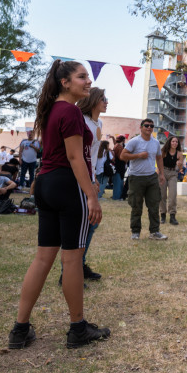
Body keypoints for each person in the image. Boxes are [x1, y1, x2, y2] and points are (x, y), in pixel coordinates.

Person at [8, 60, 110, 350]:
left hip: (47, 184)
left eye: (87, 77)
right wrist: (91, 195)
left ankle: (20, 329)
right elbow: (76, 157)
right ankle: (77, 329)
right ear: (65, 82)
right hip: (67, 186)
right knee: (72, 259)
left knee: (43, 258)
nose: (88, 82)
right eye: (82, 77)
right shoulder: (71, 113)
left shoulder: (52, 109)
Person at [75, 88, 107, 281]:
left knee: (92, 223)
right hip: (79, 178)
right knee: (80, 225)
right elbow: (78, 154)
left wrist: (94, 177)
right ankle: (70, 272)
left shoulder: (99, 123)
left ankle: (80, 264)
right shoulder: (81, 121)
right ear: (94, 100)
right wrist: (88, 178)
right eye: (103, 98)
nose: (106, 101)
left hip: (91, 177)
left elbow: (92, 156)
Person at [120, 119, 167, 241]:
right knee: (136, 205)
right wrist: (138, 155)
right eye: (146, 125)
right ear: (141, 127)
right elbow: (123, 155)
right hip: (136, 177)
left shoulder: (155, 142)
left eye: (151, 126)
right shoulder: (134, 142)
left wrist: (161, 173)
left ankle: (155, 231)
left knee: (154, 205)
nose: (149, 127)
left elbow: (159, 158)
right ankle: (135, 231)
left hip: (151, 177)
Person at [159, 135, 184, 226]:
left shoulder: (179, 154)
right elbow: (159, 162)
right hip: (163, 172)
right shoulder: (164, 152)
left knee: (172, 195)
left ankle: (172, 216)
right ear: (170, 142)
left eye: (176, 142)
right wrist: (160, 174)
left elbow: (180, 168)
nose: (175, 143)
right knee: (162, 195)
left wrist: (180, 164)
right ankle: (163, 215)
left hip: (173, 173)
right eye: (173, 141)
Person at [111, 135, 126, 200]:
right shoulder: (120, 147)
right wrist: (127, 159)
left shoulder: (116, 145)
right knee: (118, 182)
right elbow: (121, 157)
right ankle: (116, 196)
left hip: (117, 166)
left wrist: (112, 138)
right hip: (120, 166)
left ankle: (117, 196)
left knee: (118, 182)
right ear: (123, 140)